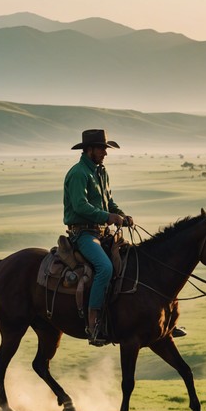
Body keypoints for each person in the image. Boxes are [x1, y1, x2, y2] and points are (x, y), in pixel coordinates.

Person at [63, 129, 133, 345]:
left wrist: (120, 215)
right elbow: (80, 206)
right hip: (83, 233)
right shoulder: (78, 173)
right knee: (105, 268)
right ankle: (94, 324)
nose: (105, 153)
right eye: (102, 148)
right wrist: (108, 216)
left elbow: (109, 202)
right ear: (89, 149)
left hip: (101, 232)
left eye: (105, 148)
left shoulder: (101, 172)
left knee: (134, 258)